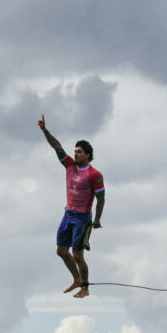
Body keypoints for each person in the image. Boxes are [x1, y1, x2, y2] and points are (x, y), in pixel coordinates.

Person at [38, 114, 105, 298]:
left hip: (83, 219)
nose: (75, 154)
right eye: (75, 151)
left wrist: (97, 220)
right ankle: (76, 279)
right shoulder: (69, 165)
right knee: (61, 251)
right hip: (68, 214)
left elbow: (101, 199)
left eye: (79, 152)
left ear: (88, 155)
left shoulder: (95, 174)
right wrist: (45, 130)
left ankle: (85, 287)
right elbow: (56, 146)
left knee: (77, 255)